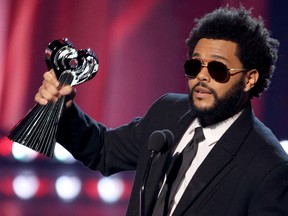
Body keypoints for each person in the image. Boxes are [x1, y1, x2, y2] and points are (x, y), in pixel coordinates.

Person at [35, 5, 288, 216]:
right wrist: (64, 109)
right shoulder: (167, 112)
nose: (201, 77)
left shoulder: (269, 168)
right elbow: (103, 150)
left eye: (217, 69)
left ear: (250, 78)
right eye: (195, 65)